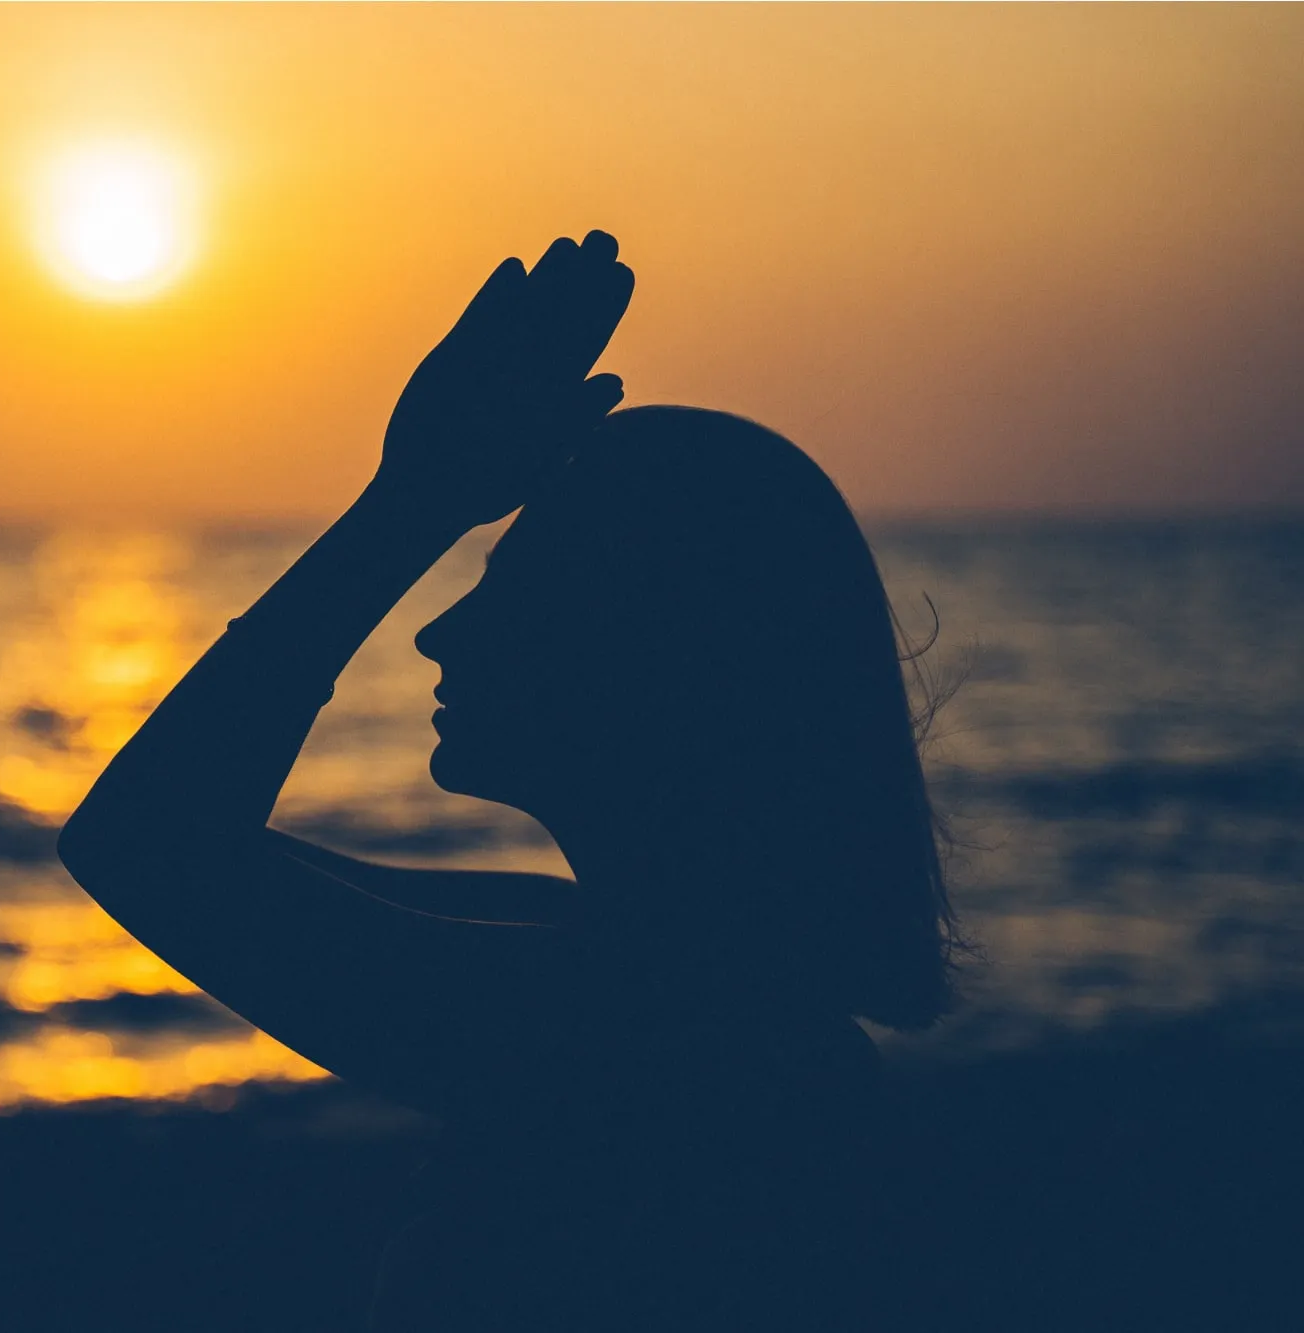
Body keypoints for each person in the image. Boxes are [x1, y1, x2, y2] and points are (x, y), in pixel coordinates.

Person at [56, 230, 960, 1330]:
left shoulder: (641, 1041)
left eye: (510, 586)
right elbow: (176, 841)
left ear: (644, 650)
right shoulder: (661, 977)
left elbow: (143, 843)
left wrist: (412, 503)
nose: (437, 631)